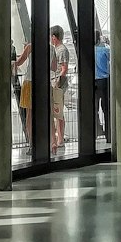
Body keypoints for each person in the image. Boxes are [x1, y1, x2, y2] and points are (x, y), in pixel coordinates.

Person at [50, 25, 70, 154]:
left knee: (58, 111)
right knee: (57, 111)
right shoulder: (58, 49)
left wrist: (57, 81)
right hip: (56, 82)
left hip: (57, 84)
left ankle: (60, 138)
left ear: (54, 37)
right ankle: (59, 138)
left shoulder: (61, 50)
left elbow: (64, 68)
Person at [15, 43, 33, 146]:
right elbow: (53, 67)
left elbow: (19, 62)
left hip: (29, 82)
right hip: (44, 82)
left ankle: (31, 142)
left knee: (29, 114)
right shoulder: (51, 47)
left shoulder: (30, 46)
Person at [94, 31, 110, 140]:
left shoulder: (88, 51)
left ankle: (95, 133)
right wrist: (108, 43)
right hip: (104, 81)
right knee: (106, 108)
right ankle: (109, 135)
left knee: (93, 108)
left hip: (92, 81)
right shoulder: (105, 50)